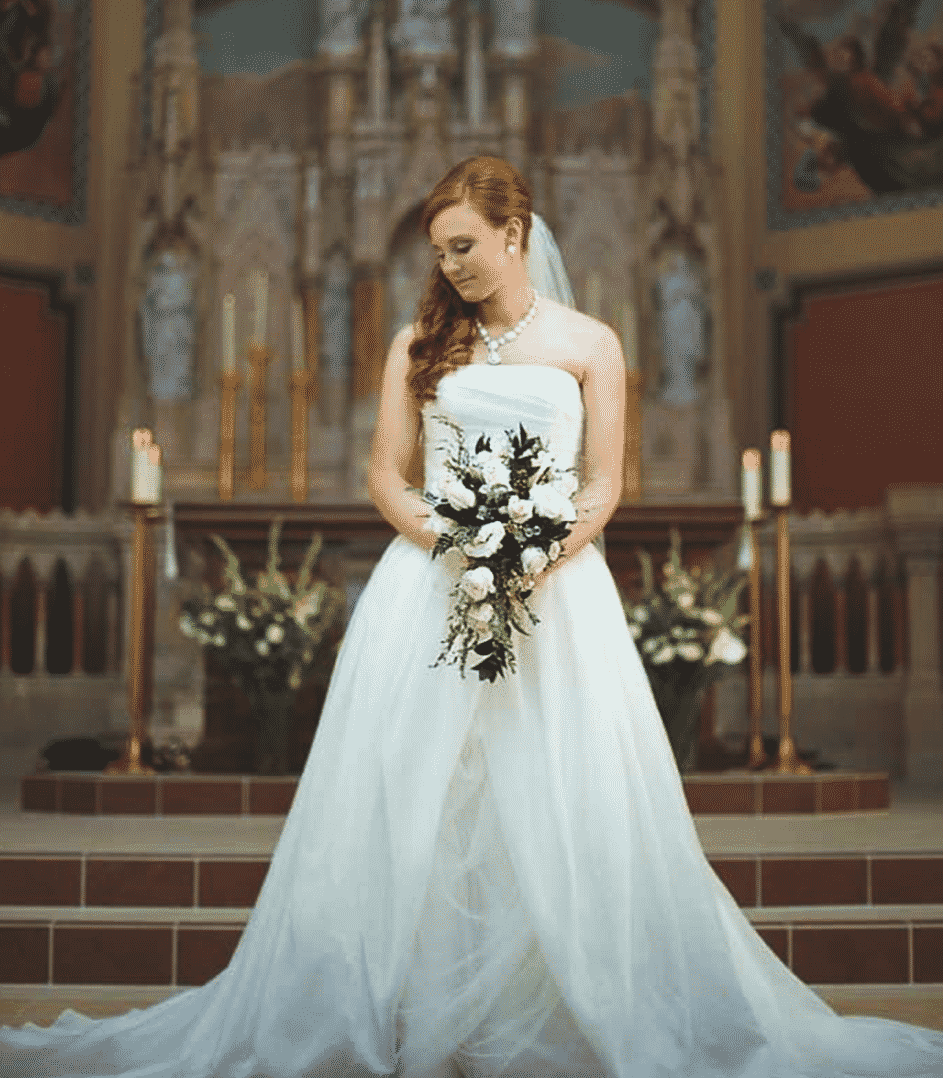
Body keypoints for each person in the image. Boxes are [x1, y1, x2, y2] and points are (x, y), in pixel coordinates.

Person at [2, 157, 943, 1078]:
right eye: (440, 251)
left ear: (515, 232)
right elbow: (383, 476)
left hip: (556, 594)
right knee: (418, 793)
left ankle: (557, 1007)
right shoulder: (416, 345)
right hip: (426, 589)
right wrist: (457, 542)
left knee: (557, 787)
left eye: (465, 245)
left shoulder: (590, 343)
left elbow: (606, 483)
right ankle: (407, 1003)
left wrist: (535, 552)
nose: (450, 266)